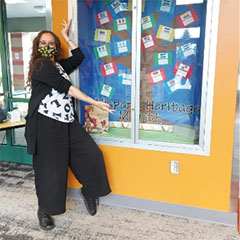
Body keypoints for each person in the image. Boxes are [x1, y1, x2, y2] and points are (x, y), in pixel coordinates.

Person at [25, 19, 114, 231]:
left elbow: (79, 57)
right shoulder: (40, 66)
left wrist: (66, 36)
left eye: (51, 43)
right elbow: (67, 88)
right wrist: (94, 102)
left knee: (92, 155)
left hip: (67, 121)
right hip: (46, 125)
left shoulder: (58, 66)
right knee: (50, 170)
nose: (47, 46)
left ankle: (89, 191)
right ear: (37, 47)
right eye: (43, 43)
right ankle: (44, 210)